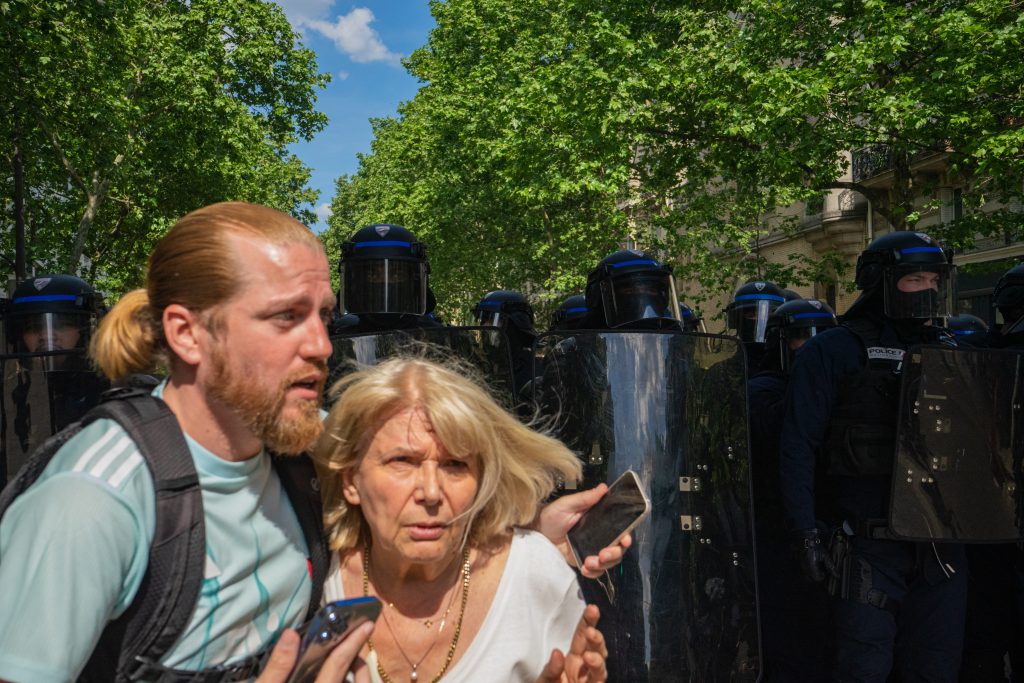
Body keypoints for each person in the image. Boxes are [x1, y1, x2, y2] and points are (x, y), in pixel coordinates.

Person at [0, 202, 362, 682]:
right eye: (285, 316)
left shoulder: (307, 444)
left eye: (324, 316)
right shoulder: (91, 499)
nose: (321, 345)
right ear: (187, 334)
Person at [313, 356, 607, 682]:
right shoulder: (312, 581)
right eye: (403, 461)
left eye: (455, 464)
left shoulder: (534, 574)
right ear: (351, 481)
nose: (431, 492)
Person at [780, 230, 964, 682]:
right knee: (864, 667)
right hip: (866, 544)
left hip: (941, 546)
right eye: (914, 279)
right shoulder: (833, 350)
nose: (927, 290)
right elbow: (798, 446)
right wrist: (804, 533)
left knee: (935, 667)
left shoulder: (953, 353)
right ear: (880, 282)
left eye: (934, 280)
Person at [748, 298, 836, 682]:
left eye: (822, 337)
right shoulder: (761, 390)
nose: (812, 347)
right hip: (775, 528)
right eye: (803, 337)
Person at [1, 274, 107, 483]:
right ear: (18, 336)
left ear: (85, 332)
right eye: (33, 327)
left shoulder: (112, 389)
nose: (47, 334)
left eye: (63, 324)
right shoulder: (9, 391)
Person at [332, 223, 440, 334]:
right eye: (372, 275)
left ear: (415, 283)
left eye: (397, 274)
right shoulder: (334, 339)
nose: (384, 283)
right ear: (353, 284)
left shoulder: (438, 337)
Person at [581, 249, 682, 330]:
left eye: (651, 290)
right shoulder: (583, 339)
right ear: (598, 297)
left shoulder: (671, 334)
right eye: (630, 290)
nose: (642, 300)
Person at [472, 289, 537, 395]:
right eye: (482, 320)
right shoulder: (479, 364)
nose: (484, 326)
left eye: (491, 320)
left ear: (513, 325)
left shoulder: (534, 371)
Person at [724, 280, 786, 375]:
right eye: (751, 315)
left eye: (768, 316)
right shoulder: (725, 370)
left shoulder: (792, 367)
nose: (760, 321)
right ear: (736, 322)